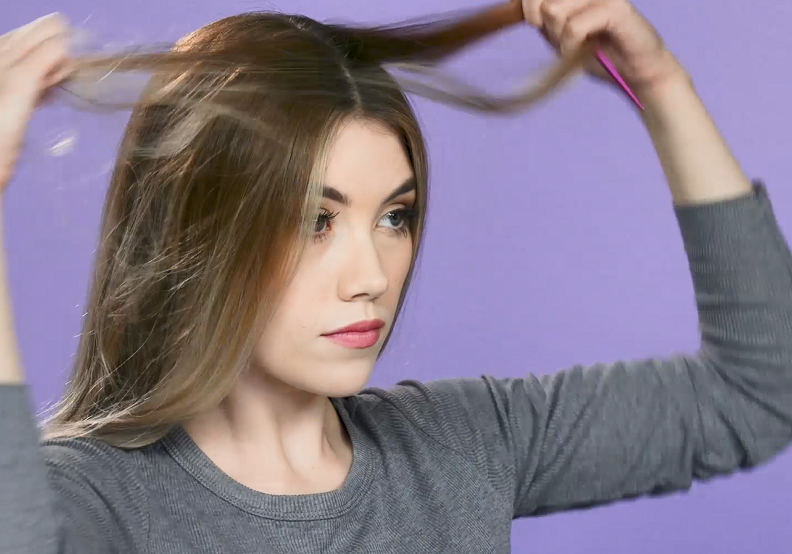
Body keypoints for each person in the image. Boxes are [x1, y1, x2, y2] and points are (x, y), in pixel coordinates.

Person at [1, 0, 790, 552]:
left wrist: (661, 90)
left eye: (395, 216)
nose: (371, 275)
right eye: (316, 220)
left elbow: (760, 393)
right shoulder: (89, 501)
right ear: (197, 232)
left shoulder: (459, 451)